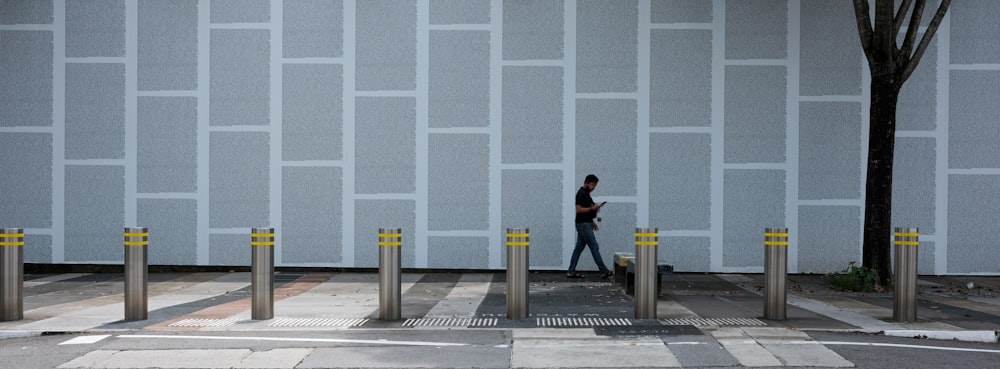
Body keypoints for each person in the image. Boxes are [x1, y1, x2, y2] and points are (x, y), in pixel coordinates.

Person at [567, 174, 612, 278]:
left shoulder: (586, 194)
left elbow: (585, 210)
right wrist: (592, 209)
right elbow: (578, 209)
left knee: (579, 248)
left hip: (585, 223)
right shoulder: (581, 194)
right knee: (594, 246)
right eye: (592, 185)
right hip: (583, 225)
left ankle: (571, 271)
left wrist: (592, 221)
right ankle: (604, 270)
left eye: (595, 185)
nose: (593, 187)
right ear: (586, 182)